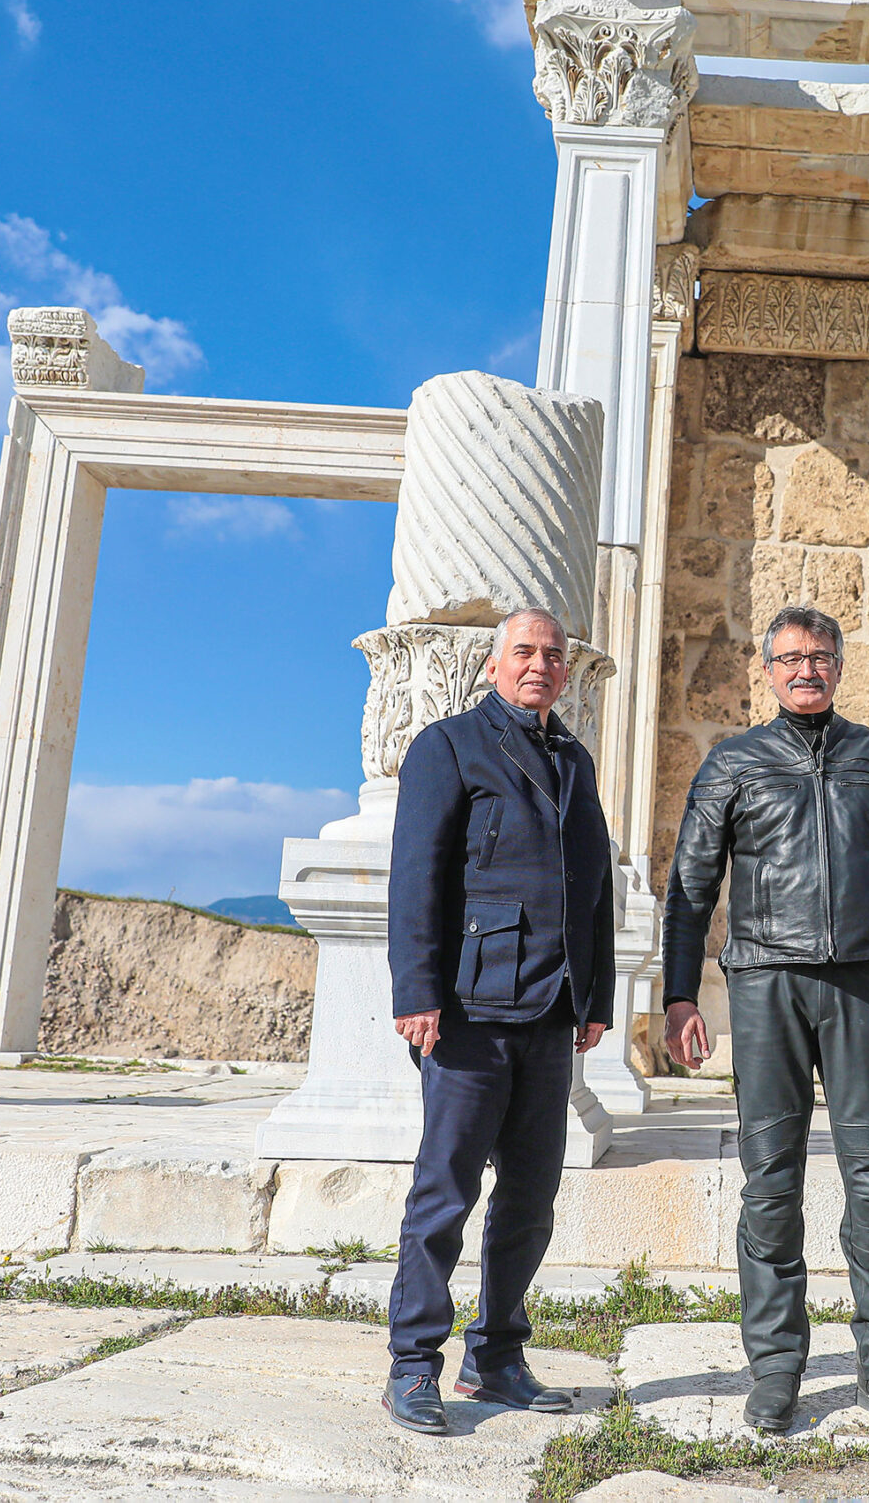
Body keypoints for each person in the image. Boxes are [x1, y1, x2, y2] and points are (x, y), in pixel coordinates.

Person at [662, 605, 869, 1437]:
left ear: (839, 665)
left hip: (864, 983)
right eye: (790, 657)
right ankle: (777, 1369)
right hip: (764, 985)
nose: (806, 669)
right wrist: (679, 994)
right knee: (770, 1185)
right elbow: (690, 887)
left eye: (820, 656)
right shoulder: (732, 763)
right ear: (767, 669)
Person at [380, 607, 615, 1435]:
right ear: (493, 665)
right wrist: (416, 990)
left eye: (553, 655)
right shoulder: (448, 746)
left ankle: (498, 1356)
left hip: (551, 1010)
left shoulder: (575, 758)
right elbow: (416, 875)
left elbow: (595, 886)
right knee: (446, 1190)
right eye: (524, 652)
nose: (540, 665)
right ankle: (414, 1365)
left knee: (532, 1195)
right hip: (469, 1008)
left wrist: (597, 999)